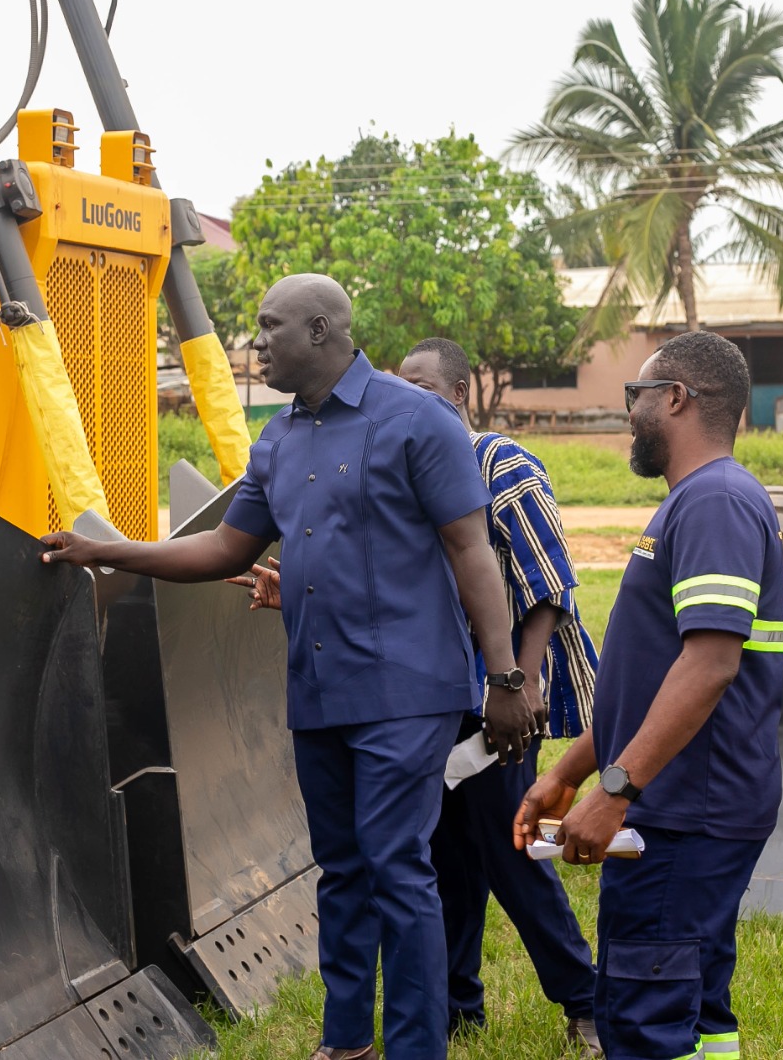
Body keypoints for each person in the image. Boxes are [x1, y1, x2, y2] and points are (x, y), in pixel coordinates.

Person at [41, 273, 543, 1060]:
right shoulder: (277, 438)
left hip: (408, 691)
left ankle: (417, 1048)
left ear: (320, 331)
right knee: (342, 871)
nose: (255, 343)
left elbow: (471, 552)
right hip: (319, 693)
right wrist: (105, 550)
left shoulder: (418, 422)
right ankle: (346, 1045)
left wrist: (506, 678)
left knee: (395, 868)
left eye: (268, 328)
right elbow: (224, 547)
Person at [234, 337, 602, 1056]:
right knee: (439, 852)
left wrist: (515, 688)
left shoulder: (504, 465)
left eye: (429, 386)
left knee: (505, 848)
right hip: (426, 696)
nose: (414, 394)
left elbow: (546, 588)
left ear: (461, 394)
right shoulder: (395, 451)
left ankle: (586, 1001)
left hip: (495, 702)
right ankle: (457, 1004)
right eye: (404, 383)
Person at [515, 330, 783, 1060]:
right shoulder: (697, 501)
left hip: (682, 811)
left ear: (674, 397)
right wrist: (568, 773)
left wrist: (615, 790)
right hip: (682, 804)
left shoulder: (715, 502)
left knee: (644, 1018)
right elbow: (655, 681)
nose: (629, 411)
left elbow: (708, 668)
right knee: (699, 1013)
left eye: (636, 395)